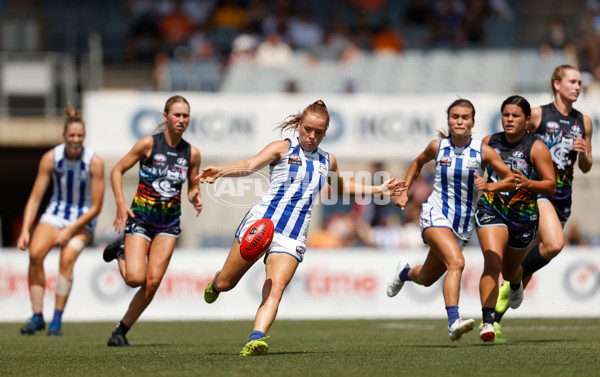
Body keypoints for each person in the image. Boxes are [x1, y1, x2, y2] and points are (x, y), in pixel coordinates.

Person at [198, 100, 405, 356]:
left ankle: (256, 338)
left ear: (325, 133)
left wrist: (378, 190)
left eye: (318, 132)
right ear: (299, 125)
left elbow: (340, 187)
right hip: (262, 223)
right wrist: (221, 171)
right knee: (228, 282)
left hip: (293, 235)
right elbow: (249, 166)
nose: (312, 136)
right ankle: (216, 283)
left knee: (276, 287)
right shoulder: (282, 148)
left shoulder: (327, 160)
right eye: (308, 129)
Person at [386, 98, 515, 341]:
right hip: (436, 214)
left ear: (472, 122)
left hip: (463, 224)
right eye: (455, 116)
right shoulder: (438, 147)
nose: (459, 121)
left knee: (425, 278)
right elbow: (417, 162)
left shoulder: (483, 151)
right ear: (448, 120)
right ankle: (453, 321)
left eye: (465, 117)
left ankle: (404, 273)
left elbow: (510, 179)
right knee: (456, 263)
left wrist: (489, 185)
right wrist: (405, 191)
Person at [494, 65, 593, 328]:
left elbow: (586, 165)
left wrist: (583, 153)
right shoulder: (537, 114)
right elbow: (512, 136)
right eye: (572, 81)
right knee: (555, 244)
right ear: (556, 84)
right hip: (538, 192)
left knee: (534, 257)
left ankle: (494, 320)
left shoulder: (584, 122)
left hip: (563, 197)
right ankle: (511, 283)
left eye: (580, 82)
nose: (577, 87)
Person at [102, 95, 202, 346]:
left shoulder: (192, 153)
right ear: (165, 117)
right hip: (141, 219)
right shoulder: (148, 144)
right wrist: (121, 204)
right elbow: (116, 170)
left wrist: (195, 196)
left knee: (153, 281)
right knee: (135, 278)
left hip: (168, 224)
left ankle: (120, 332)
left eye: (185, 115)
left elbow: (192, 187)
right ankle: (120, 252)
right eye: (177, 115)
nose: (181, 120)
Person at [17, 105, 105, 336]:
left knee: (66, 259)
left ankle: (56, 321)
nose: (76, 140)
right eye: (72, 135)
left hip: (83, 222)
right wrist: (25, 229)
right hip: (55, 215)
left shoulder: (94, 162)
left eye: (80, 136)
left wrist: (70, 231)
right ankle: (37, 316)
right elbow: (35, 198)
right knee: (35, 254)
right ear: (64, 136)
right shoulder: (50, 158)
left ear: (84, 137)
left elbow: (96, 207)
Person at [475, 95, 555, 343]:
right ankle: (488, 322)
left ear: (527, 119)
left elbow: (551, 186)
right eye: (506, 115)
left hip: (523, 217)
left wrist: (528, 183)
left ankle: (516, 282)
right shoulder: (490, 142)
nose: (509, 120)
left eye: (516, 116)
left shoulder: (536, 147)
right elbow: (477, 172)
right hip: (492, 209)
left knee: (510, 273)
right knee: (492, 262)